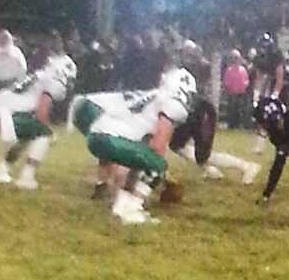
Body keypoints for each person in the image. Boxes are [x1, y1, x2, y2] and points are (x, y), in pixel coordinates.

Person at [69, 65, 215, 225]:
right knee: (157, 164)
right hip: (110, 138)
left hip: (99, 134)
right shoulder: (175, 104)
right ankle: (132, 209)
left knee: (141, 160)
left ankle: (121, 207)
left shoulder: (156, 95)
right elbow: (158, 146)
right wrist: (158, 177)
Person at [0, 34, 77, 190]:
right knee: (44, 134)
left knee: (28, 135)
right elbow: (42, 112)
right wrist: (49, 131)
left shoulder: (41, 74)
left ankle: (1, 171)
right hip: (3, 114)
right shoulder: (55, 81)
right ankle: (27, 177)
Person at [0, 30, 27, 97]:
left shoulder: (16, 51)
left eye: (5, 38)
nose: (3, 40)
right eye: (1, 38)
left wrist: (19, 82)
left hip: (10, 84)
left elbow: (23, 67)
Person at [223, 49, 250, 129]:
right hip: (232, 94)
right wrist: (230, 88)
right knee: (231, 111)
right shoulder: (229, 70)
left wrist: (242, 87)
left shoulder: (243, 70)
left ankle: (240, 125)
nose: (235, 60)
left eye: (237, 58)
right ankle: (231, 125)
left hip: (241, 94)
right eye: (234, 58)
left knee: (240, 111)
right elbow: (226, 82)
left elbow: (246, 81)